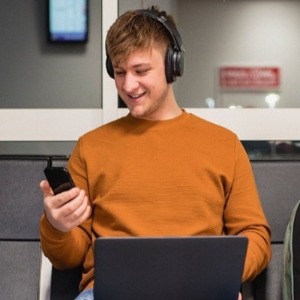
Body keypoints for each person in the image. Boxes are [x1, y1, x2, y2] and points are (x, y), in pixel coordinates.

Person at [40, 6, 271, 300]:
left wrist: (224, 275)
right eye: (120, 72)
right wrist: (57, 227)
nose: (127, 85)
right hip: (110, 294)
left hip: (201, 292)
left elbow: (257, 236)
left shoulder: (224, 145)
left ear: (173, 65)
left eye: (141, 71)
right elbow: (68, 257)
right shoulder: (91, 147)